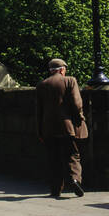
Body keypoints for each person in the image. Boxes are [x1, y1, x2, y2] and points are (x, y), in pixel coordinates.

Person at [34, 57, 88, 198]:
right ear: (62, 69)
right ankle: (74, 180)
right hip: (67, 127)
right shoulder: (70, 80)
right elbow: (77, 103)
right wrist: (80, 116)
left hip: (48, 128)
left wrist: (39, 130)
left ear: (51, 71)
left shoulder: (41, 85)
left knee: (53, 158)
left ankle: (55, 189)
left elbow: (39, 111)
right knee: (72, 155)